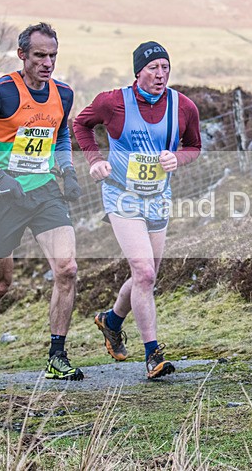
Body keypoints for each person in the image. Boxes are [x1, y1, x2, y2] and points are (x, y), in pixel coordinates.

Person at [0, 22, 83, 385]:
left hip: (43, 192)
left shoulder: (64, 94)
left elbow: (60, 137)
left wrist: (67, 170)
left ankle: (57, 356)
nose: (47, 63)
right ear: (22, 55)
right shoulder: (1, 91)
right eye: (40, 55)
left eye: (53, 56)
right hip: (2, 197)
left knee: (67, 268)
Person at [73, 41, 201, 379]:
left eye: (165, 67)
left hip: (157, 196)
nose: (160, 75)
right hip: (122, 196)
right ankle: (152, 355)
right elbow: (80, 125)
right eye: (153, 68)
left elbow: (194, 146)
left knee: (147, 276)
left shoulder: (183, 106)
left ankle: (111, 320)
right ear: (138, 71)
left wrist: (178, 158)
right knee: (143, 272)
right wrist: (95, 159)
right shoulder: (112, 102)